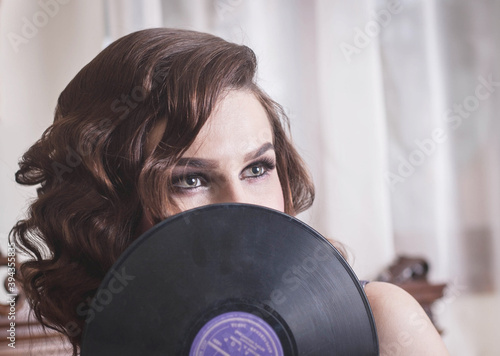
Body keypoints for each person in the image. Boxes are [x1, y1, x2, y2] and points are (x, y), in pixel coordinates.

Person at [10, 28, 449, 355]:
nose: (241, 208)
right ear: (107, 205)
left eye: (258, 168)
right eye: (191, 179)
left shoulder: (383, 320)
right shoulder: (116, 336)